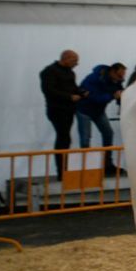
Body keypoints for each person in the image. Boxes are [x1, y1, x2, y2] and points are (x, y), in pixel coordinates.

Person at [39, 49, 81, 179]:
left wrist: (81, 92)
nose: (76, 64)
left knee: (65, 139)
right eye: (74, 61)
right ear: (66, 58)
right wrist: (69, 97)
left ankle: (65, 170)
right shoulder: (49, 71)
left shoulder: (70, 72)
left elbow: (73, 87)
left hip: (68, 110)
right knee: (63, 138)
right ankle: (61, 172)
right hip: (57, 109)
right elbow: (49, 90)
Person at [76, 62, 126, 161]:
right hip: (84, 111)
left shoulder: (116, 81)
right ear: (112, 71)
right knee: (85, 139)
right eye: (120, 75)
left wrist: (121, 103)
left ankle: (107, 164)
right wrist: (112, 96)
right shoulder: (93, 78)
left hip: (99, 111)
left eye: (123, 75)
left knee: (108, 133)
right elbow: (94, 97)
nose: (121, 78)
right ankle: (86, 166)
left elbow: (120, 93)